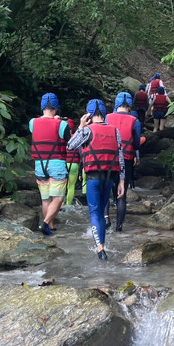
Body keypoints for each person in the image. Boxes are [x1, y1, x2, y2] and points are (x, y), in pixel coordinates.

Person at [67, 99, 124, 260]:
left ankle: (100, 249)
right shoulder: (115, 131)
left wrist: (80, 126)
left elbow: (70, 146)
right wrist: (121, 181)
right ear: (104, 113)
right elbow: (120, 157)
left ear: (89, 114)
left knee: (94, 212)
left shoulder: (86, 130)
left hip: (93, 178)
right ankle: (103, 246)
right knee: (101, 212)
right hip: (109, 178)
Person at [30, 93, 72, 236]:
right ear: (56, 108)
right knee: (58, 198)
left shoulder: (32, 122)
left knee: (46, 198)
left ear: (42, 107)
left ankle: (51, 227)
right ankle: (46, 223)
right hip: (56, 164)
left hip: (39, 164)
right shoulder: (62, 124)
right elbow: (70, 142)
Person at [105, 92, 143, 233]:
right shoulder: (135, 121)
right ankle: (119, 228)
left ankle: (106, 218)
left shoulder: (107, 117)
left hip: (108, 159)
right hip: (126, 159)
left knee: (106, 191)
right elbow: (137, 144)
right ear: (130, 105)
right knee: (122, 195)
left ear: (117, 104)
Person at [63, 102, 82, 208]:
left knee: (62, 186)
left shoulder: (61, 137)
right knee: (71, 186)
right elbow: (80, 152)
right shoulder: (77, 137)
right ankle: (68, 205)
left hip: (63, 163)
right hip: (74, 164)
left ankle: (60, 204)